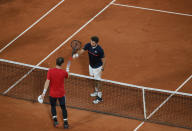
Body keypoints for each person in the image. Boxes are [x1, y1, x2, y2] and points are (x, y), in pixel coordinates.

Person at [73, 36, 106, 104]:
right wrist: (76, 55)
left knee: (98, 82)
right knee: (94, 79)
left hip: (97, 68)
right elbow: (82, 51)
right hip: (91, 66)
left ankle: (99, 97)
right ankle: (96, 92)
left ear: (96, 43)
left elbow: (104, 59)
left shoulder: (99, 50)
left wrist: (102, 68)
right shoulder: (88, 45)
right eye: (91, 41)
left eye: (93, 42)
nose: (91, 43)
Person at [40, 57, 69, 128]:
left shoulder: (50, 71)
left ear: (56, 62)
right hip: (61, 94)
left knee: (53, 106)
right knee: (63, 108)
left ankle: (55, 121)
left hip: (52, 94)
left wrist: (43, 93)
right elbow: (67, 76)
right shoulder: (63, 72)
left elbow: (47, 82)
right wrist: (67, 70)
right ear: (62, 63)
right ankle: (65, 123)